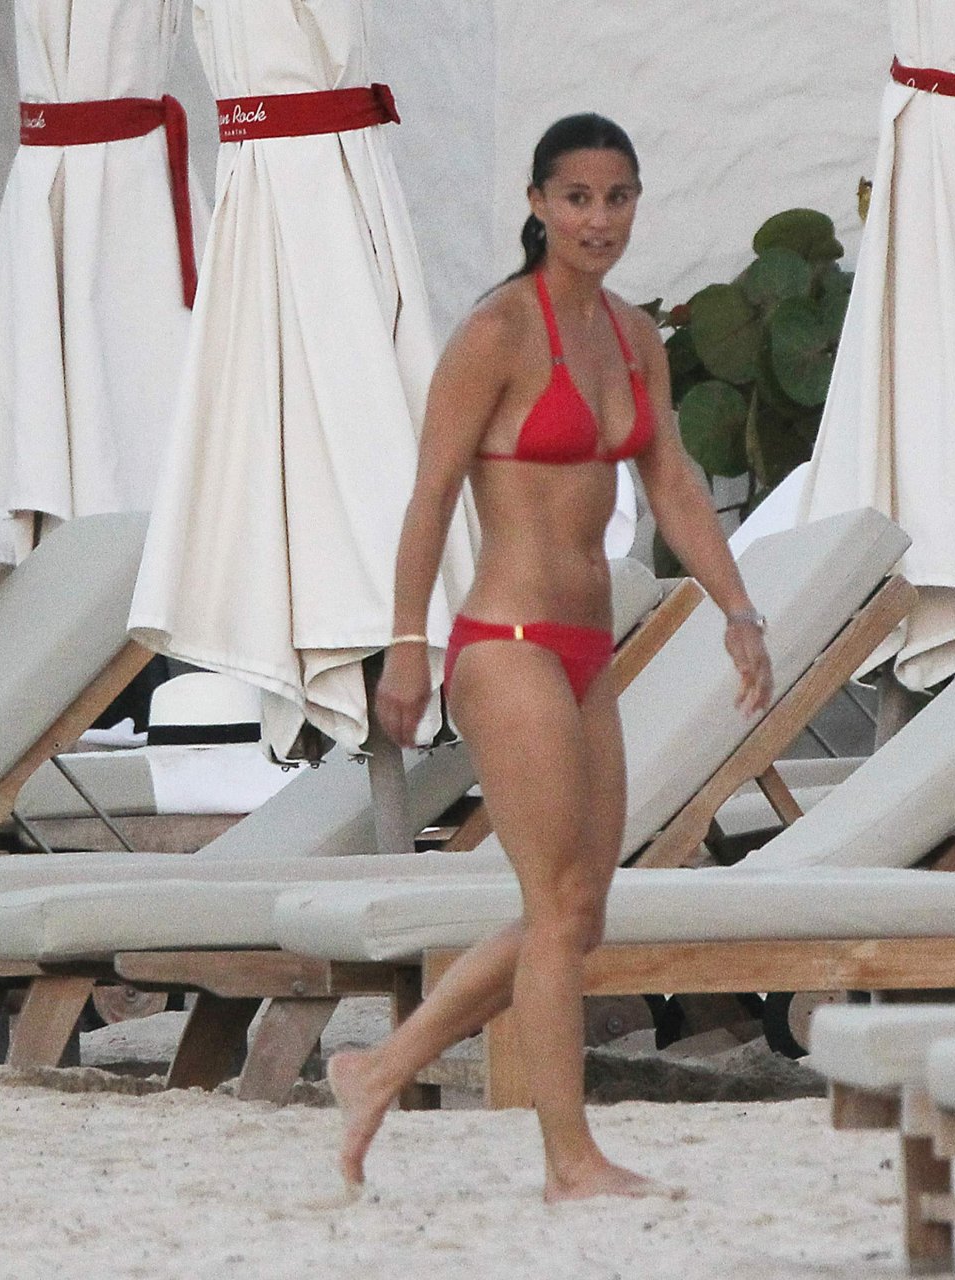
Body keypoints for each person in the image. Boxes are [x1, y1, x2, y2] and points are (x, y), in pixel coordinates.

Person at [329, 113, 775, 1203]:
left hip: (585, 650)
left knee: (577, 913)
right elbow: (431, 495)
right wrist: (406, 646)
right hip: (507, 642)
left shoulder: (632, 335)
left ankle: (378, 1069)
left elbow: (670, 480)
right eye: (576, 198)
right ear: (536, 204)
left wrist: (737, 607)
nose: (597, 219)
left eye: (617, 197)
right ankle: (567, 1158)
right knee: (553, 904)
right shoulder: (495, 332)